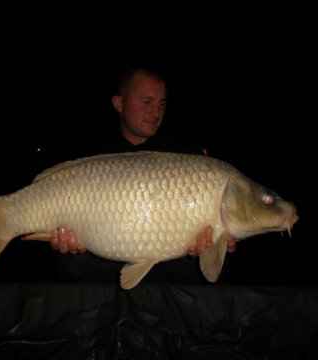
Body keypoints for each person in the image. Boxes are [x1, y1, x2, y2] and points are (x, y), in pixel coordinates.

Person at [49, 67, 236, 285]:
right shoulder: (94, 152)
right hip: (104, 278)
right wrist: (66, 243)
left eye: (161, 104)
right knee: (71, 261)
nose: (156, 112)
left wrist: (213, 246)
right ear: (118, 104)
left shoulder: (184, 151)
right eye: (146, 102)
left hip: (169, 283)